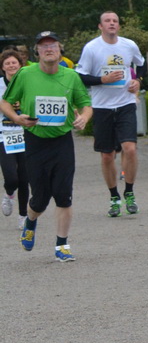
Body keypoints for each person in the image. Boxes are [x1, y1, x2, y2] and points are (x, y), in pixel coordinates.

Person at [1, 33, 91, 261]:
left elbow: (85, 105)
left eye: (52, 45)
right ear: (37, 53)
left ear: (60, 49)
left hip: (62, 141)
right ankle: (30, 221)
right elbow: (5, 102)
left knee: (63, 195)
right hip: (35, 141)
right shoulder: (25, 74)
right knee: (40, 199)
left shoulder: (71, 76)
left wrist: (84, 118)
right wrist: (17, 117)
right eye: (43, 46)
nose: (48, 49)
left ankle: (62, 245)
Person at [75, 11, 146, 217]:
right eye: (108, 21)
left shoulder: (129, 45)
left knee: (130, 148)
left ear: (119, 26)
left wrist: (138, 81)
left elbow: (140, 64)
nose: (112, 23)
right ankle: (114, 196)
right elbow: (81, 76)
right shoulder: (92, 48)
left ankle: (130, 192)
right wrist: (102, 80)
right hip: (102, 107)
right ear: (100, 26)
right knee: (107, 156)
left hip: (125, 104)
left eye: (115, 21)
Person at [1, 48, 29, 225]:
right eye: (7, 63)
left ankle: (23, 216)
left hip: (24, 134)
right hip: (4, 135)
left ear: (20, 65)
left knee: (25, 178)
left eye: (14, 62)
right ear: (3, 67)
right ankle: (9, 193)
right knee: (12, 177)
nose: (11, 65)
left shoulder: (27, 83)